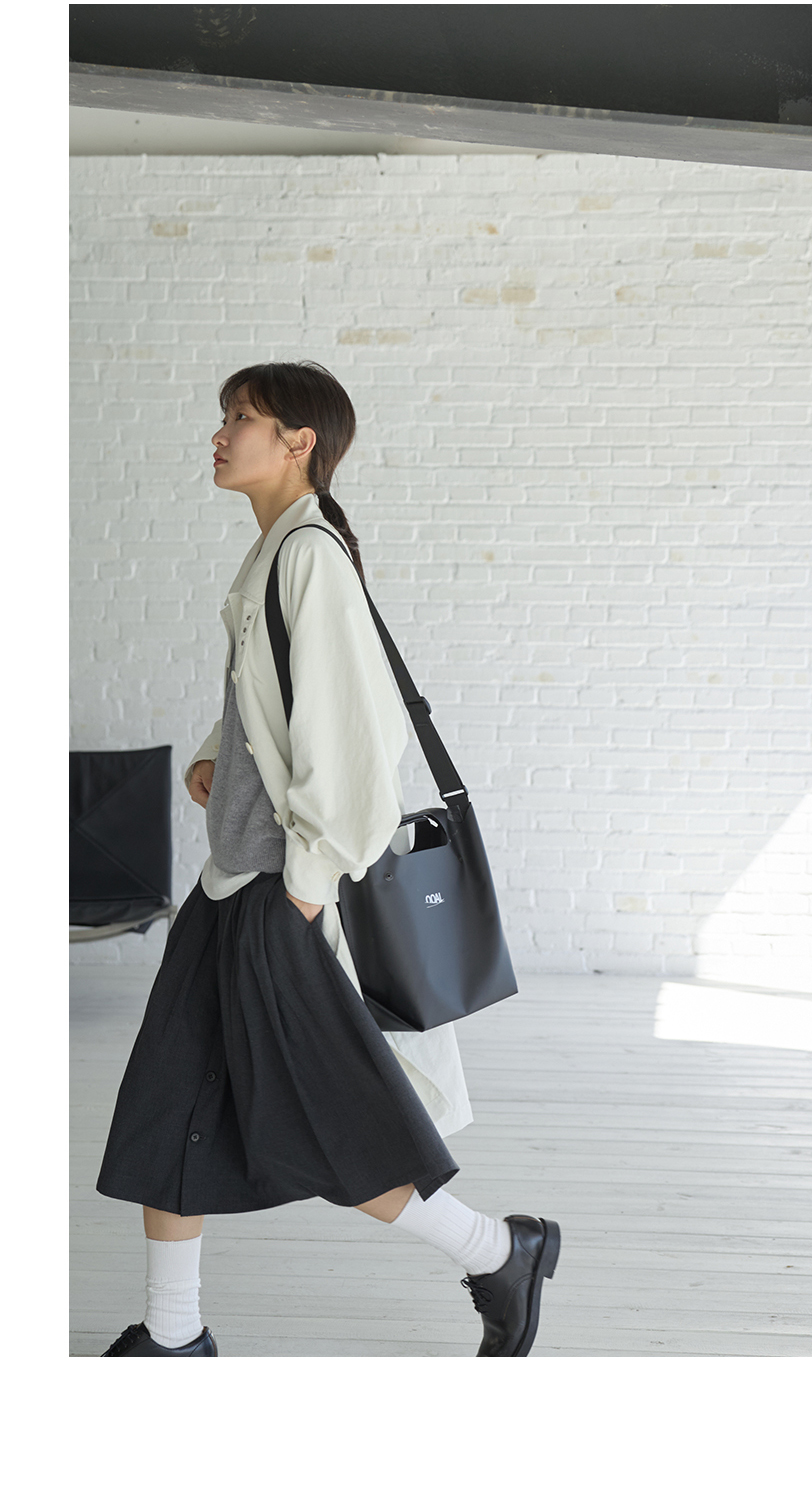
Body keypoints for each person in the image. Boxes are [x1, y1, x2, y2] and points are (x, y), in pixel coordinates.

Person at [95, 359, 559, 1358]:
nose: (220, 434)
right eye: (223, 416)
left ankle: (499, 1251)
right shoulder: (274, 552)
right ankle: (173, 1335)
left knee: (331, 1122)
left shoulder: (309, 555)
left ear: (299, 443)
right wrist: (219, 756)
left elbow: (358, 740)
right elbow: (275, 703)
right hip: (231, 888)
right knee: (170, 1103)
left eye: (242, 418)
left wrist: (304, 891)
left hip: (278, 898)